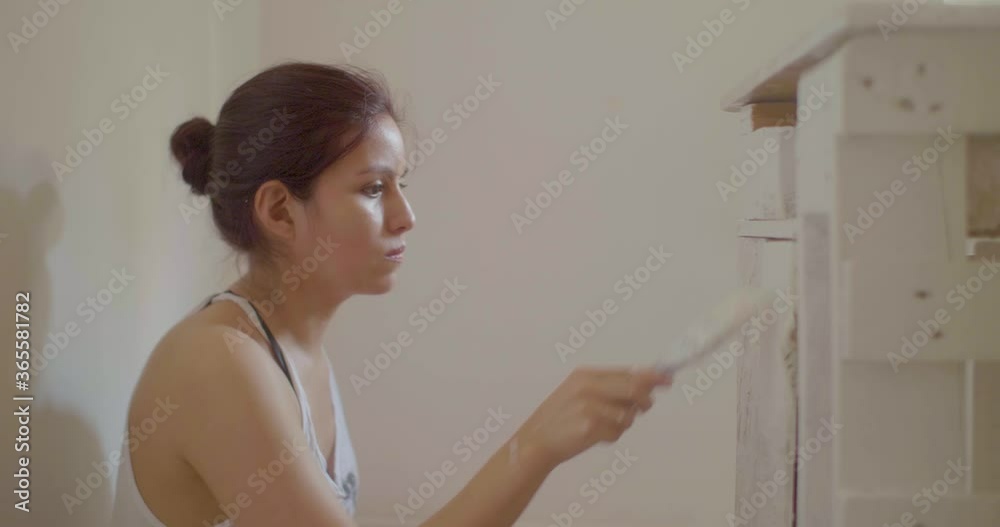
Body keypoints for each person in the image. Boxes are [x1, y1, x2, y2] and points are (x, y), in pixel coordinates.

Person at [110, 61, 673, 527]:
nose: (407, 217)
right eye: (375, 188)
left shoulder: (294, 351)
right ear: (280, 211)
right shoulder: (220, 362)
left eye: (401, 184)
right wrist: (535, 447)